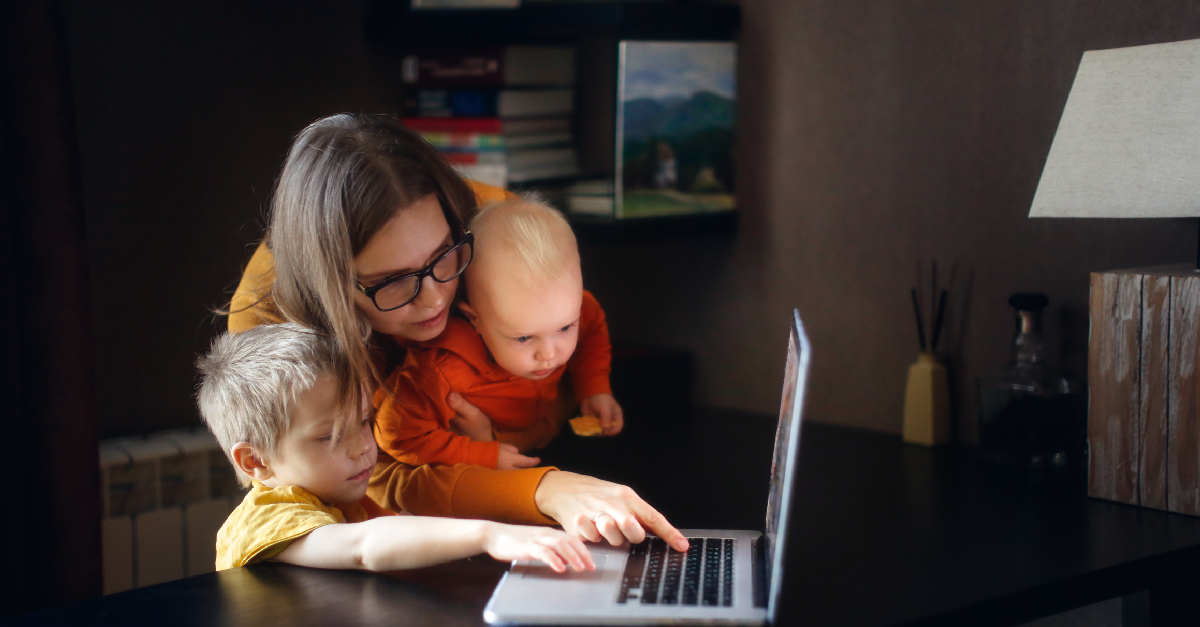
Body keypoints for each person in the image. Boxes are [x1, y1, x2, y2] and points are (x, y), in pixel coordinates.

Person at [228, 113, 688, 552]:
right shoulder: (272, 327)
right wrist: (540, 487)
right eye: (392, 280)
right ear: (330, 284)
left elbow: (558, 350)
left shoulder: (496, 227)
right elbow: (374, 479)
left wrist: (495, 449)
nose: (434, 301)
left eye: (443, 255)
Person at [198, 323, 594, 573]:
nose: (362, 447)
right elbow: (363, 547)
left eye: (364, 422)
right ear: (256, 460)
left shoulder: (340, 499)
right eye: (330, 436)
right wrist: (490, 536)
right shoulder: (269, 516)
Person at [374, 198, 623, 472]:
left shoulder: (574, 309)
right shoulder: (440, 370)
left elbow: (592, 331)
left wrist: (594, 388)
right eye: (524, 338)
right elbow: (397, 436)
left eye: (565, 328)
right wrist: (481, 454)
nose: (550, 354)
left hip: (554, 433)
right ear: (475, 319)